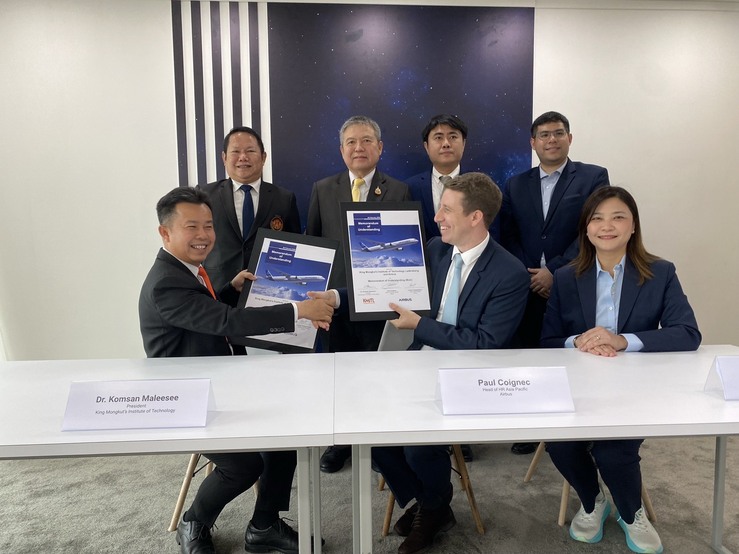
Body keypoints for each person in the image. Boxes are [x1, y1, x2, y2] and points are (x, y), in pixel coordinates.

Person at [318, 173, 529, 554]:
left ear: (476, 217)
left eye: (447, 210)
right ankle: (431, 503)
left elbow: (484, 344)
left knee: (417, 445)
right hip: (417, 365)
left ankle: (431, 508)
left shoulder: (509, 273)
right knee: (365, 430)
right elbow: (385, 286)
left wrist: (420, 325)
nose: (437, 217)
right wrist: (336, 297)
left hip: (467, 376)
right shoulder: (435, 249)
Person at [138, 187, 333, 554]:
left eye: (208, 226)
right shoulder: (166, 282)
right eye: (192, 226)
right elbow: (226, 322)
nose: (203, 235)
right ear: (165, 232)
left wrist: (230, 288)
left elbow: (205, 313)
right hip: (190, 399)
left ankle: (264, 526)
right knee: (243, 465)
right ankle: (194, 521)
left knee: (285, 433)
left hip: (222, 382)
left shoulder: (186, 271)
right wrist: (299, 311)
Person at [540, 186, 701, 554]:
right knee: (559, 444)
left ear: (633, 226)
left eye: (617, 217)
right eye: (597, 218)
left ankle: (631, 513)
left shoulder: (660, 272)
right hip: (579, 385)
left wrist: (622, 341)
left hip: (634, 388)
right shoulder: (565, 277)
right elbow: (549, 339)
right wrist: (579, 341)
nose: (606, 226)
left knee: (613, 452)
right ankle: (593, 501)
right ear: (586, 229)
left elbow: (687, 333)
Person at [501, 110, 610, 455]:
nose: (552, 140)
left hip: (573, 280)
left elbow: (593, 229)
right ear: (533, 143)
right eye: (544, 135)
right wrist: (529, 272)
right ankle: (532, 426)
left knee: (574, 355)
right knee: (530, 355)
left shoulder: (593, 177)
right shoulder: (515, 184)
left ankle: (576, 429)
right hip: (528, 285)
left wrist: (556, 271)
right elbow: (508, 234)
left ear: (569, 138)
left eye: (558, 133)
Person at [306, 115, 411, 473]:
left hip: (381, 301)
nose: (359, 148)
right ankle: (340, 442)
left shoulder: (399, 190)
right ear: (341, 150)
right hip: (336, 303)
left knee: (378, 373)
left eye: (366, 140)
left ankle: (378, 444)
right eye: (351, 142)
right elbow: (314, 245)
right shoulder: (322, 188)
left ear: (379, 147)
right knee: (339, 374)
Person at [197, 126, 301, 292]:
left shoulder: (284, 199)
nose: (243, 157)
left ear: (263, 157)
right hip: (217, 290)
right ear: (224, 158)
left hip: (266, 291)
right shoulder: (204, 195)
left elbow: (295, 248)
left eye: (250, 151)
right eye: (235, 151)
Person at [405, 114, 467, 239]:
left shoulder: (480, 187)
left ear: (464, 143)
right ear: (426, 146)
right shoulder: (409, 188)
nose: (446, 144)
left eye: (453, 137)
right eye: (438, 138)